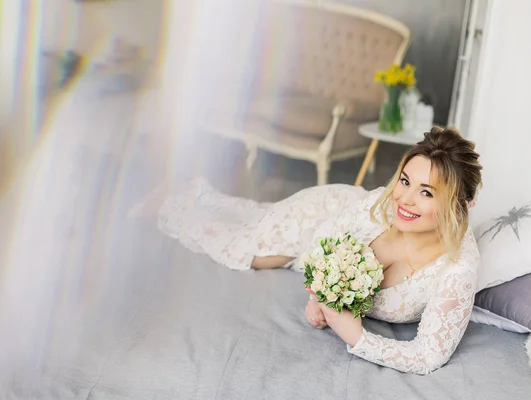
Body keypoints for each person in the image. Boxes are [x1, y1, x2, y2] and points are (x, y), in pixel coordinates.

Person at [130, 126, 483, 375]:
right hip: (325, 213)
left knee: (252, 241)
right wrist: (321, 293)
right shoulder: (384, 205)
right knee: (249, 250)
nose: (404, 199)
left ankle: (191, 199)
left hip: (330, 232)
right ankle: (176, 203)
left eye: (427, 192)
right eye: (405, 181)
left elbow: (426, 356)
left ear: (461, 205)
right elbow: (334, 238)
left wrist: (355, 335)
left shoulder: (456, 271)